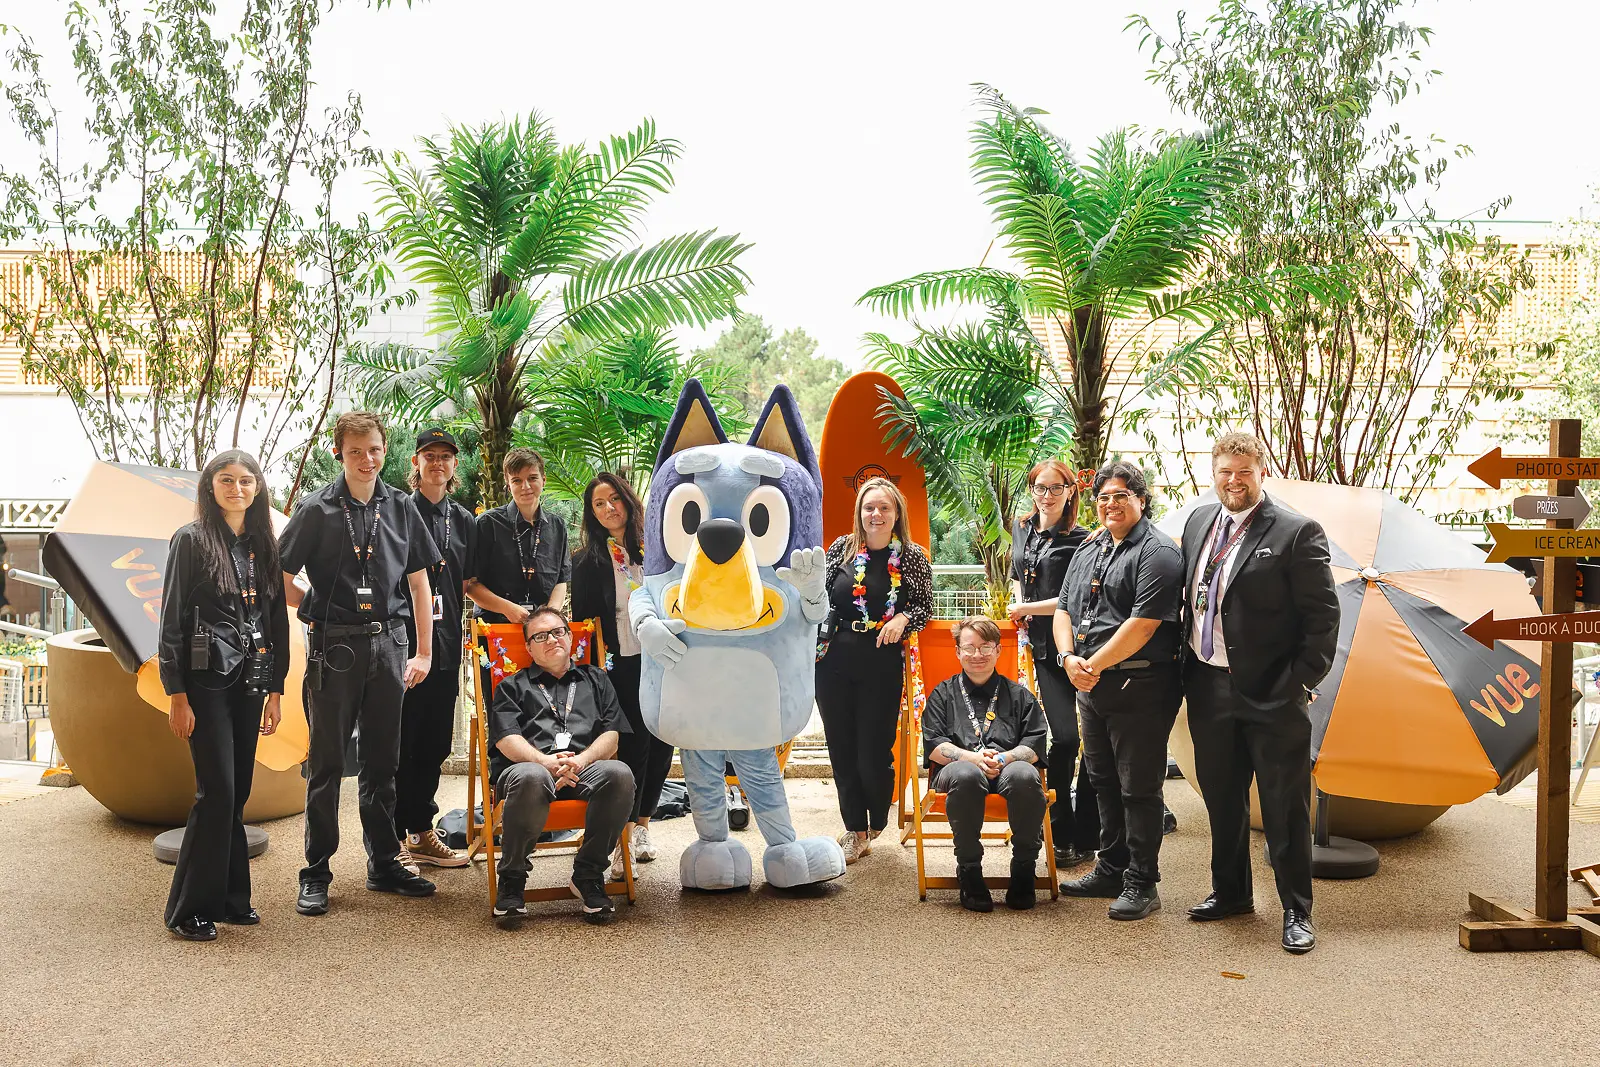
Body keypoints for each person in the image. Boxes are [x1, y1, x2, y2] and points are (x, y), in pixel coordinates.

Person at [1180, 432, 1339, 954]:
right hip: (1208, 684)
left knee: (1283, 805)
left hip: (1271, 692)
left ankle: (1297, 910)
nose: (1234, 481)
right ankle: (1230, 893)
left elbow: (1323, 621)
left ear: (1260, 474)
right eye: (1225, 472)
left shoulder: (1297, 532)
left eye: (1243, 472)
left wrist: (1296, 684)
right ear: (1214, 473)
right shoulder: (1199, 523)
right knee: (1221, 799)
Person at [278, 411, 440, 916]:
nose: (366, 460)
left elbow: (419, 584)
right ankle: (317, 871)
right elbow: (278, 574)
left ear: (385, 449)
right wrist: (312, 609)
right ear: (338, 454)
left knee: (382, 762)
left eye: (373, 450)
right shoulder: (318, 509)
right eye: (355, 452)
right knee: (326, 764)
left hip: (389, 646)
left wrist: (425, 652)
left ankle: (383, 862)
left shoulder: (401, 507)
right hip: (335, 647)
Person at [158, 450, 289, 941]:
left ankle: (235, 899)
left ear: (258, 487)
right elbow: (171, 621)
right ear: (210, 486)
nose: (237, 488)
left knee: (239, 795)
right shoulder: (190, 540)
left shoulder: (263, 544)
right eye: (226, 480)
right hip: (205, 682)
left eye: (245, 480)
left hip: (252, 679)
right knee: (217, 792)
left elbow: (275, 620)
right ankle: (189, 909)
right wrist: (177, 696)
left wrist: (276, 688)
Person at [1053, 460, 1184, 920]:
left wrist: (1089, 664)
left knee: (1139, 788)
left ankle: (1142, 882)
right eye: (1104, 497)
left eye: (1121, 496)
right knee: (1102, 781)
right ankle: (1111, 868)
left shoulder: (1159, 552)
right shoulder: (1089, 547)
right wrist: (1069, 659)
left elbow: (1144, 624)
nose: (1111, 504)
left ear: (1141, 501)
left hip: (1141, 685)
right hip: (1090, 684)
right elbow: (1064, 611)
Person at [488, 606, 635, 926]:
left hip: (585, 767)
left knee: (619, 774)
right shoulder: (511, 686)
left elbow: (612, 735)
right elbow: (505, 740)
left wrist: (581, 761)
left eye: (557, 632)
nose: (551, 639)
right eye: (540, 636)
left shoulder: (596, 679)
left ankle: (588, 874)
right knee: (530, 777)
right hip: (529, 769)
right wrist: (545, 762)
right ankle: (512, 879)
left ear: (569, 637)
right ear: (528, 647)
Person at [815, 476, 933, 864]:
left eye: (884, 507)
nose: (876, 514)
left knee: (873, 750)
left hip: (881, 662)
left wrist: (903, 618)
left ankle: (877, 816)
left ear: (897, 513)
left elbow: (923, 606)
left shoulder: (912, 557)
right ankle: (855, 828)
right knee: (841, 747)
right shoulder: (841, 550)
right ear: (859, 513)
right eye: (870, 507)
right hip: (833, 661)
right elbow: (818, 596)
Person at [569, 472, 673, 880]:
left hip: (662, 656)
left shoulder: (658, 548)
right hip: (618, 659)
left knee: (662, 738)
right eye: (599, 503)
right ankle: (623, 837)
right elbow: (582, 619)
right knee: (630, 743)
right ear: (591, 513)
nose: (609, 508)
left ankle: (643, 825)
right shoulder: (586, 559)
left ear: (628, 501)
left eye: (614, 499)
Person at [392, 428, 476, 872]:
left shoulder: (463, 520)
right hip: (401, 644)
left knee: (434, 744)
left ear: (454, 466)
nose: (438, 463)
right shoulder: (397, 511)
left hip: (445, 649)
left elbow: (467, 582)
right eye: (430, 456)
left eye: (446, 456)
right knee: (399, 742)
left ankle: (422, 832)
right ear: (416, 464)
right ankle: (393, 839)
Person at [923, 617, 1049, 913]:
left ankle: (1023, 870)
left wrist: (1005, 758)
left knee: (1024, 775)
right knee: (966, 774)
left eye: (985, 647)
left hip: (1007, 768)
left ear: (998, 651)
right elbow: (934, 747)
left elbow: (1034, 745)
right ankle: (969, 872)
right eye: (969, 647)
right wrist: (971, 758)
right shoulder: (942, 695)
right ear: (957, 652)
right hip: (957, 773)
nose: (977, 655)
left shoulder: (1020, 696)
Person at [1007, 459, 1098, 868]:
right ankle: (1061, 831)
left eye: (1055, 488)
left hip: (1080, 647)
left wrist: (1026, 606)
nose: (1046, 496)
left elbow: (1071, 597)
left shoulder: (1082, 538)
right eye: (1039, 488)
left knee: (1092, 742)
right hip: (1040, 649)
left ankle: (1087, 831)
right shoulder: (1021, 527)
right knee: (1062, 738)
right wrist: (1020, 610)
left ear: (1070, 491)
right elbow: (1017, 573)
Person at [466, 448, 570, 625]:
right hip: (495, 627)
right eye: (517, 480)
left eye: (532, 478)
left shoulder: (557, 526)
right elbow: (471, 585)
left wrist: (550, 615)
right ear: (508, 485)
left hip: (543, 630)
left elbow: (561, 580)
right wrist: (508, 609)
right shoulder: (486, 524)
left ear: (543, 480)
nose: (526, 487)